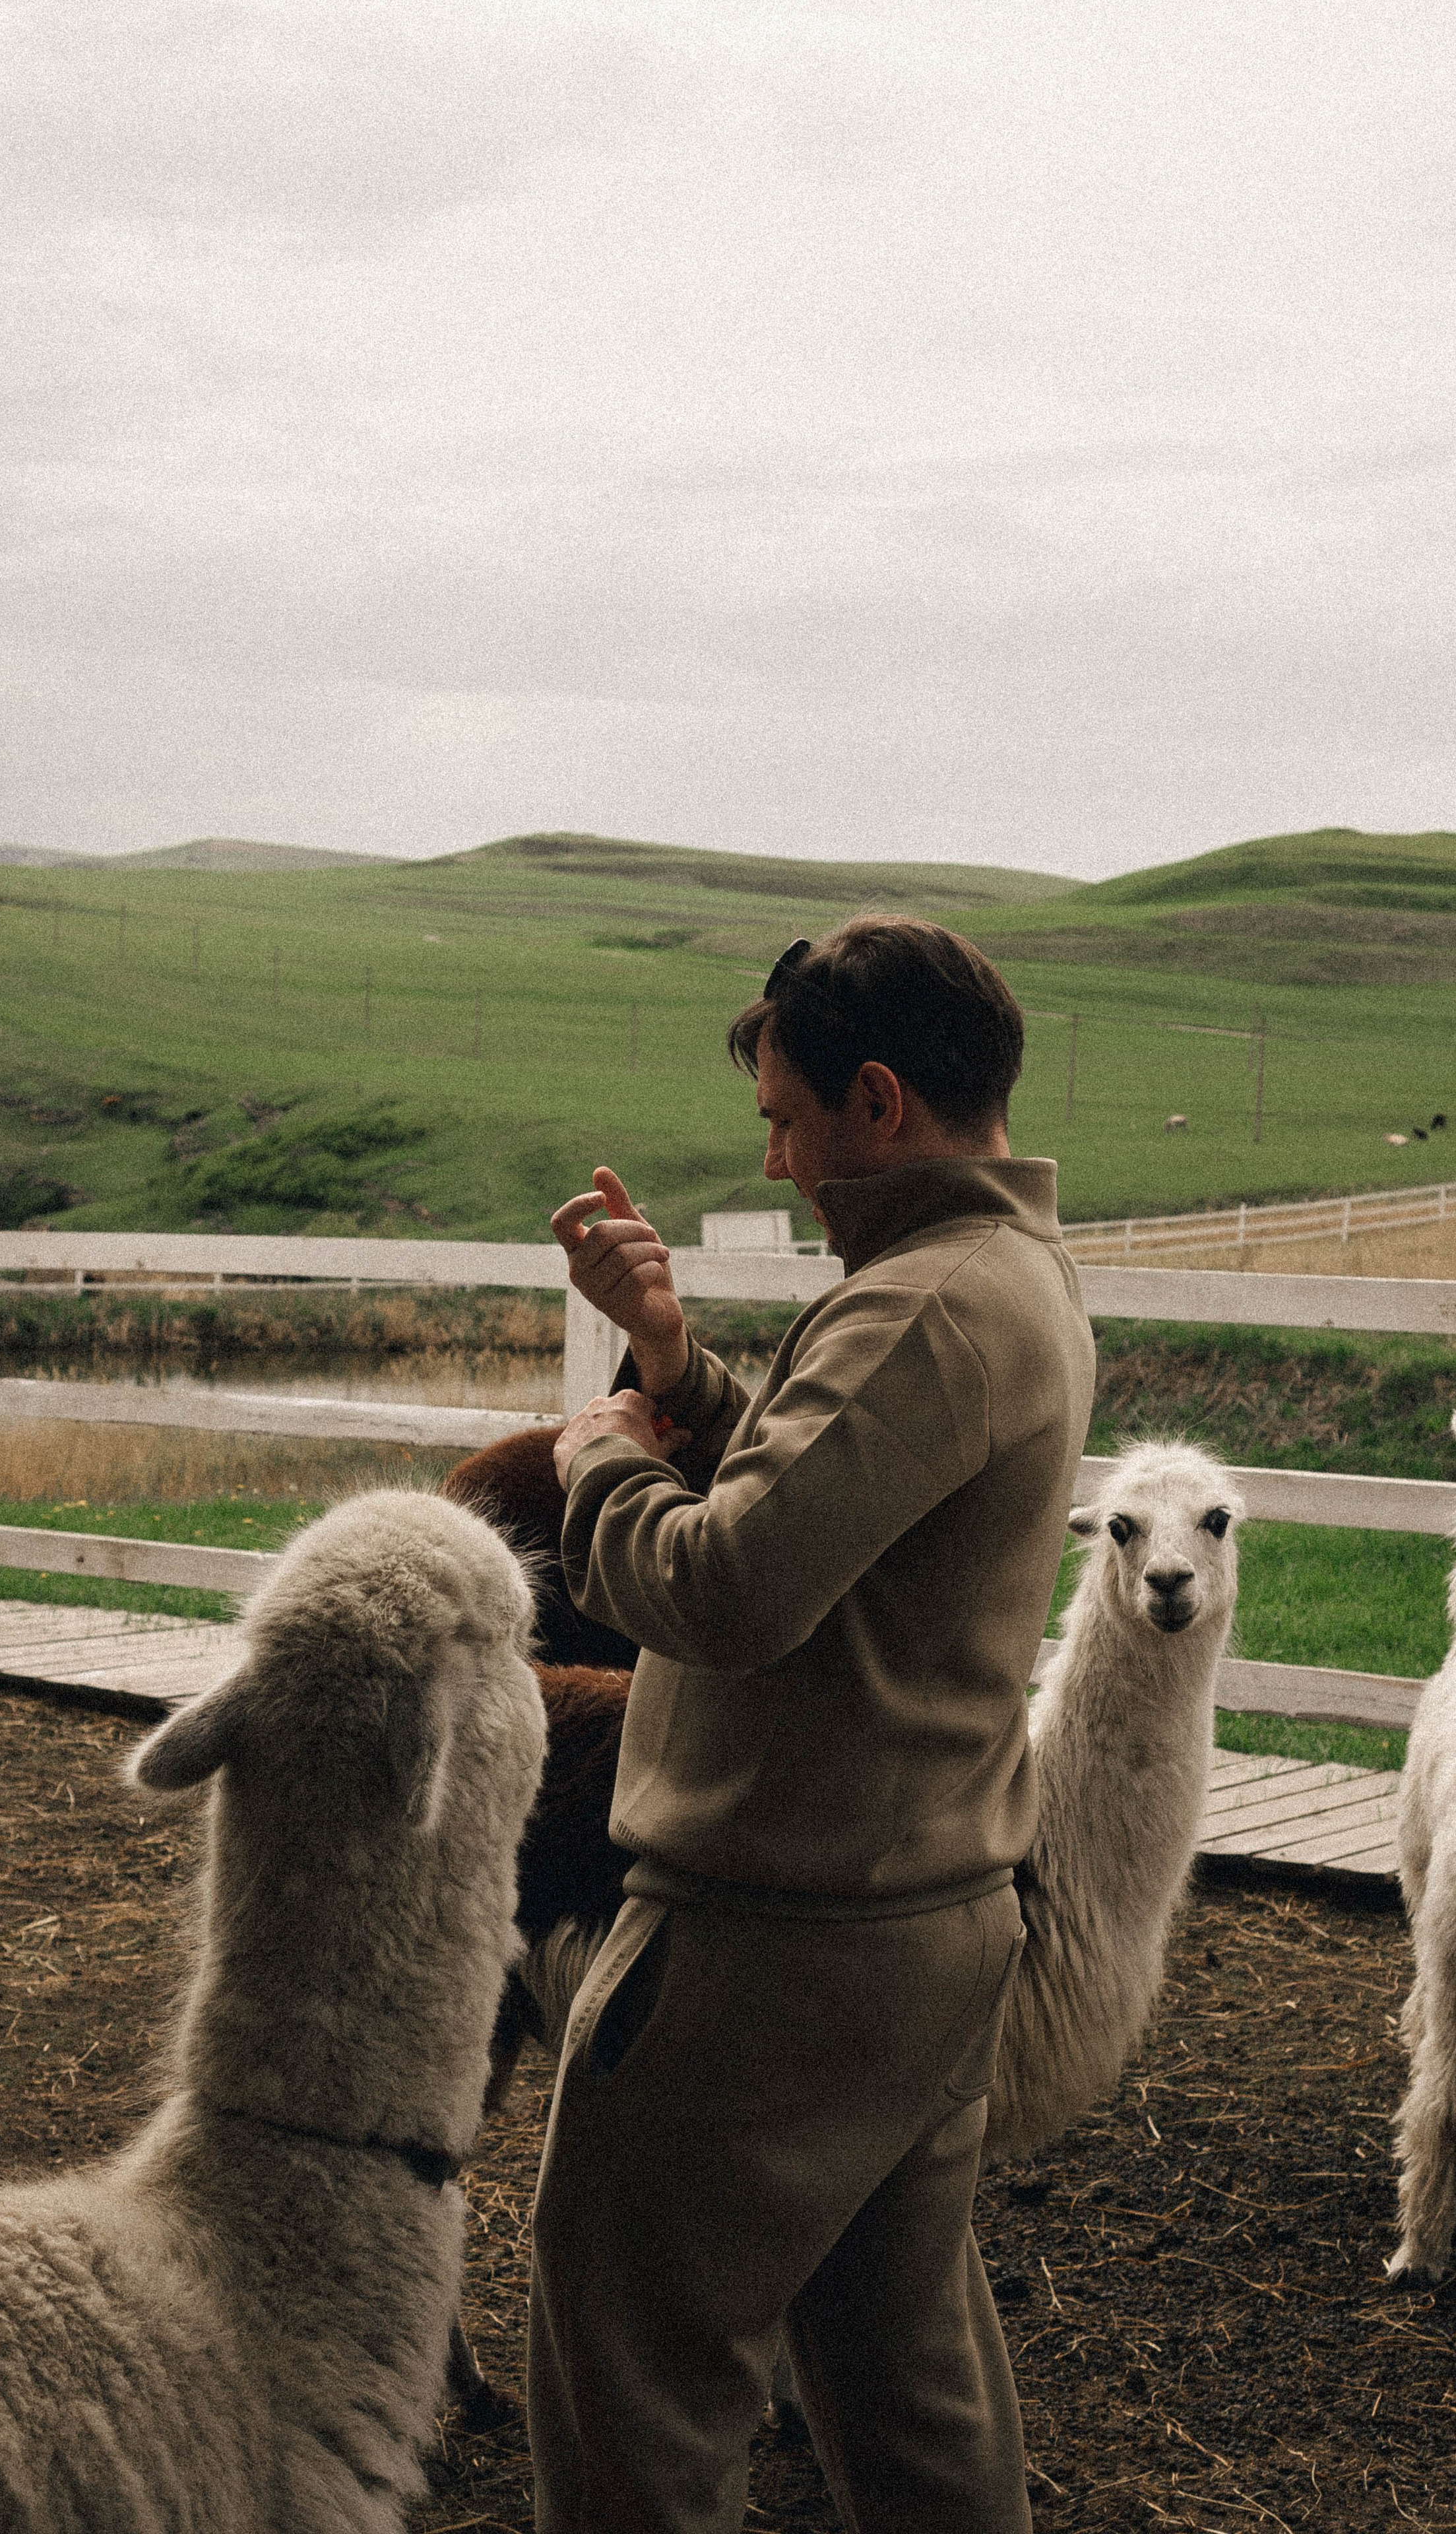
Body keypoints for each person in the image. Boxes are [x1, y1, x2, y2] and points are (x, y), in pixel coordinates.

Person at [530, 915, 1095, 2533]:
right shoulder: (1006, 1277)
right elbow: (840, 1503)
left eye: (781, 1119)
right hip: (915, 1933)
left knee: (632, 2372)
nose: (774, 1162)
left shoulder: (912, 1306)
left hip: (768, 1951)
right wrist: (669, 1361)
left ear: (875, 1099)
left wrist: (599, 1461)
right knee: (903, 2384)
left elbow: (722, 1591)